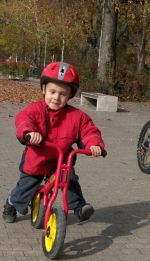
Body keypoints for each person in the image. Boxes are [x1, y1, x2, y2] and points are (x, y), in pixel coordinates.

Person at [2, 61, 105, 223]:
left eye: (62, 94)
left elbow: (88, 130)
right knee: (27, 186)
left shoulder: (77, 117)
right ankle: (11, 203)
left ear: (70, 95)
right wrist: (29, 132)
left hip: (61, 161)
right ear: (43, 89)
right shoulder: (35, 110)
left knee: (70, 181)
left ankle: (79, 207)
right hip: (36, 159)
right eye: (52, 92)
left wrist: (94, 144)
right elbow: (23, 120)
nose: (56, 97)